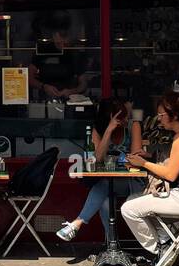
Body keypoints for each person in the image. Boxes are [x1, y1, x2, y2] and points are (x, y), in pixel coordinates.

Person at [119, 92, 179, 260]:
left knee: (128, 209)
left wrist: (143, 164)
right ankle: (164, 239)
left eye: (161, 114)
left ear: (174, 115)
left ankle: (161, 250)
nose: (159, 118)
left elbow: (170, 174)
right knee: (132, 199)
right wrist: (149, 158)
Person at [56, 98, 142, 241]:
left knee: (103, 185)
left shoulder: (134, 126)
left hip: (131, 182)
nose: (125, 119)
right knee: (105, 198)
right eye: (121, 116)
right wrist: (109, 130)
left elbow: (136, 159)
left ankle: (77, 223)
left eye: (125, 115)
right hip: (110, 183)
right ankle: (111, 244)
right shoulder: (98, 130)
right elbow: (98, 158)